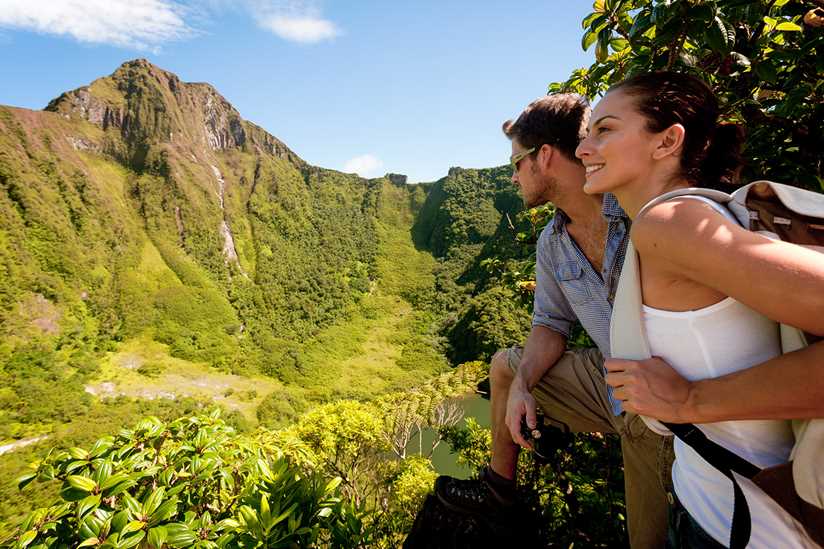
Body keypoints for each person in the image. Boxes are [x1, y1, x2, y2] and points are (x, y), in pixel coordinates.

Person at [575, 71, 824, 547]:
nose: (584, 148)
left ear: (666, 141)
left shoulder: (670, 222)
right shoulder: (699, 216)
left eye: (604, 130)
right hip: (715, 507)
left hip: (745, 529)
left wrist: (690, 401)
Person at [435, 93, 674, 549]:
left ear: (544, 157)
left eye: (517, 161)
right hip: (612, 380)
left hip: (666, 395)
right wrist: (524, 384)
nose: (512, 175)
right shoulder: (552, 243)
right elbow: (550, 324)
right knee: (507, 367)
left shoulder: (635, 208)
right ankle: (498, 494)